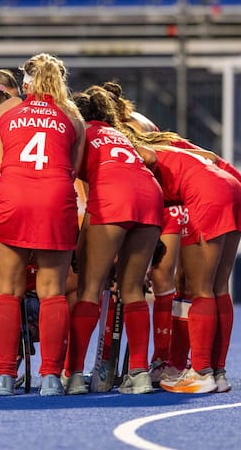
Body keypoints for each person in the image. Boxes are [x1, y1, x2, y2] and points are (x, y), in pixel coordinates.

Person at [0, 53, 85, 396]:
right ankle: (51, 378)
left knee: (7, 291)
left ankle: (3, 377)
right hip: (55, 199)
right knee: (53, 293)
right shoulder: (73, 118)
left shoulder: (4, 111)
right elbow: (72, 172)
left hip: (13, 195)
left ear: (25, 84)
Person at [127, 133, 241, 394]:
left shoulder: (135, 152)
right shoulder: (169, 146)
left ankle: (201, 373)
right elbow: (211, 157)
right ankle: (217, 373)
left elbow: (148, 160)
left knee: (200, 288)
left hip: (207, 192)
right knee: (218, 286)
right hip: (233, 185)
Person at [62, 87, 164, 395]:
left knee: (90, 288)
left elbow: (89, 199)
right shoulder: (118, 133)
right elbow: (151, 157)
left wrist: (80, 247)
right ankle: (139, 374)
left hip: (113, 197)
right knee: (132, 289)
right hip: (150, 195)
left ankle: (74, 375)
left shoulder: (79, 133)